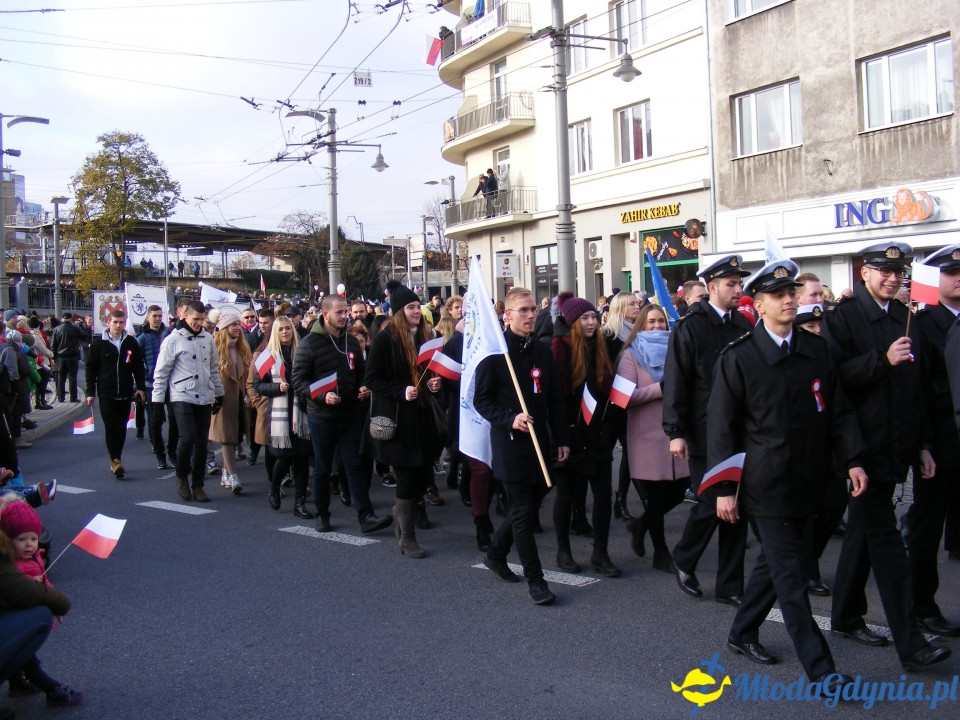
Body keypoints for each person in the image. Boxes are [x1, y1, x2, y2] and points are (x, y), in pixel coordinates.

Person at [708, 259, 866, 691]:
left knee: (775, 567)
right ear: (758, 305)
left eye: (792, 293)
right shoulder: (739, 357)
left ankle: (742, 631)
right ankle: (823, 672)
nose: (789, 300)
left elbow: (838, 412)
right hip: (766, 485)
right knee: (793, 579)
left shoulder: (816, 350)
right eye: (778, 295)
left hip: (811, 479)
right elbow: (721, 429)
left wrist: (853, 459)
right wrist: (724, 488)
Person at [823, 242, 950, 671]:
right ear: (865, 273)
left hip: (898, 443)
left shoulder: (905, 317)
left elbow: (919, 388)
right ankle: (912, 645)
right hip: (862, 448)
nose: (893, 279)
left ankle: (845, 615)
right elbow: (835, 381)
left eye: (899, 272)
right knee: (888, 544)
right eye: (884, 271)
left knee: (863, 529)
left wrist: (924, 444)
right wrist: (882, 360)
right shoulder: (842, 318)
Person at [662, 255, 753, 606]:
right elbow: (676, 380)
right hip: (703, 431)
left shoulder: (742, 325)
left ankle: (730, 585)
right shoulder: (691, 326)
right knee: (711, 499)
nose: (738, 289)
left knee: (737, 505)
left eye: (739, 283)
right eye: (731, 284)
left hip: (739, 429)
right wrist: (675, 431)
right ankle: (684, 557)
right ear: (712, 287)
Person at [474, 288, 570, 605]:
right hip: (511, 445)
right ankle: (536, 581)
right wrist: (509, 418)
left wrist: (562, 439)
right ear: (508, 315)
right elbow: (481, 400)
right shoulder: (495, 353)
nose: (530, 315)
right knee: (523, 515)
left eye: (533, 310)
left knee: (526, 508)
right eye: (523, 310)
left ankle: (495, 553)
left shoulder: (542, 350)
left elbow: (554, 398)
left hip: (540, 443)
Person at [293, 296, 391, 533]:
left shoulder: (350, 341)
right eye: (339, 312)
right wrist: (321, 396)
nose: (344, 316)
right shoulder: (309, 344)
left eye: (345, 312)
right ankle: (322, 514)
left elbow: (361, 372)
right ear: (325, 314)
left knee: (354, 465)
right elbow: (298, 380)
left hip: (349, 414)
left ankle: (366, 516)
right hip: (322, 416)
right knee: (323, 467)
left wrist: (363, 386)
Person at [363, 285, 444, 557]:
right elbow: (372, 379)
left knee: (422, 475)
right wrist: (401, 390)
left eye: (418, 306)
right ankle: (407, 538)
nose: (417, 311)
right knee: (407, 477)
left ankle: (401, 512)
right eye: (410, 307)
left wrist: (433, 384)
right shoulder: (385, 340)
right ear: (398, 312)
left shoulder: (424, 336)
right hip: (398, 419)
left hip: (422, 417)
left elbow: (428, 372)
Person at [904, 245, 960, 636]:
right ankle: (922, 605)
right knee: (927, 525)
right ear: (935, 280)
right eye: (951, 273)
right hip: (940, 440)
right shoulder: (923, 325)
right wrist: (922, 445)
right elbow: (918, 391)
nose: (959, 279)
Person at [550, 293, 619, 577]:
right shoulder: (559, 349)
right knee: (566, 495)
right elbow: (555, 397)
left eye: (594, 317)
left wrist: (608, 427)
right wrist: (562, 432)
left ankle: (600, 553)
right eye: (585, 318)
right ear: (572, 323)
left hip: (598, 434)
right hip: (570, 434)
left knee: (603, 496)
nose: (592, 322)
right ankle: (563, 551)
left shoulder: (601, 346)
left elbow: (607, 390)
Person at [619, 303, 689, 571]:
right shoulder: (630, 355)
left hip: (676, 433)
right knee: (657, 497)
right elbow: (624, 398)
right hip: (647, 436)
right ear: (641, 325)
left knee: (682, 489)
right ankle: (661, 553)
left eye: (661, 321)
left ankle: (641, 524)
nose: (657, 326)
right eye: (651, 322)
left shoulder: (677, 350)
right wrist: (660, 388)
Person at [0, 500, 81, 708]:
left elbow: (38, 587)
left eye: (33, 539)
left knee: (22, 638)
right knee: (36, 620)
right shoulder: (13, 564)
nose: (29, 544)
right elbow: (19, 590)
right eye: (22, 539)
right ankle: (46, 686)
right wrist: (58, 603)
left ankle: (18, 681)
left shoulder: (31, 558)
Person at [152, 301, 224, 502]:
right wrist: (157, 402)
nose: (198, 323)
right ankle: (182, 476)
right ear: (185, 316)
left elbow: (213, 369)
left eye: (202, 319)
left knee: (202, 441)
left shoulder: (208, 338)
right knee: (188, 437)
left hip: (204, 395)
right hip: (181, 395)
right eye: (195, 319)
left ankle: (198, 485)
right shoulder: (173, 340)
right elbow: (161, 373)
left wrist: (219, 393)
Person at [254, 316, 313, 519]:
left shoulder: (302, 351)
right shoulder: (268, 356)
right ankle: (274, 487)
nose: (285, 332)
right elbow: (258, 385)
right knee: (285, 457)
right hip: (281, 411)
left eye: (288, 328)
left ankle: (299, 503)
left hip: (302, 412)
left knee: (302, 458)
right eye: (280, 329)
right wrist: (276, 387)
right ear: (275, 333)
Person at [85, 309, 146, 479]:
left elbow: (138, 366)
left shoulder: (130, 342)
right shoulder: (99, 343)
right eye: (115, 322)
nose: (118, 326)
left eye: (121, 322)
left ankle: (117, 456)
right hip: (106, 393)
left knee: (121, 427)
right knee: (111, 426)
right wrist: (90, 392)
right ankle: (115, 459)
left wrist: (140, 387)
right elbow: (91, 368)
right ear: (108, 322)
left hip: (125, 392)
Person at [601, 291, 641, 521]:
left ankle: (621, 500)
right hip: (610, 404)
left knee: (630, 452)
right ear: (620, 308)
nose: (637, 306)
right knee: (606, 455)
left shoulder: (638, 333)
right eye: (632, 304)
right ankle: (605, 500)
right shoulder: (607, 335)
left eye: (637, 303)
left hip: (630, 402)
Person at [209, 309, 250, 496]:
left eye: (238, 324)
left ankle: (226, 473)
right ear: (224, 327)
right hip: (222, 400)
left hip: (240, 399)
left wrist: (248, 394)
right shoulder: (215, 348)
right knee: (227, 437)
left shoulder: (242, 348)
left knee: (234, 437)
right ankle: (233, 476)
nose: (237, 327)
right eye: (233, 324)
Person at [138, 305, 179, 470]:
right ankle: (160, 455)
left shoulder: (169, 334)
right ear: (148, 317)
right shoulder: (142, 338)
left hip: (170, 383)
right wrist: (140, 384)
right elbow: (137, 363)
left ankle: (172, 451)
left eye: (160, 316)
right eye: (154, 316)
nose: (157, 319)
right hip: (151, 384)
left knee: (174, 419)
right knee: (155, 422)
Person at [50, 312, 87, 403]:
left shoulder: (56, 329)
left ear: (62, 319)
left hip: (60, 357)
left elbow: (53, 344)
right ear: (71, 319)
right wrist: (81, 326)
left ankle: (60, 397)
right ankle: (73, 397)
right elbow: (85, 336)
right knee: (72, 377)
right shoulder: (75, 329)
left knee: (61, 377)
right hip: (73, 356)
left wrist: (53, 357)